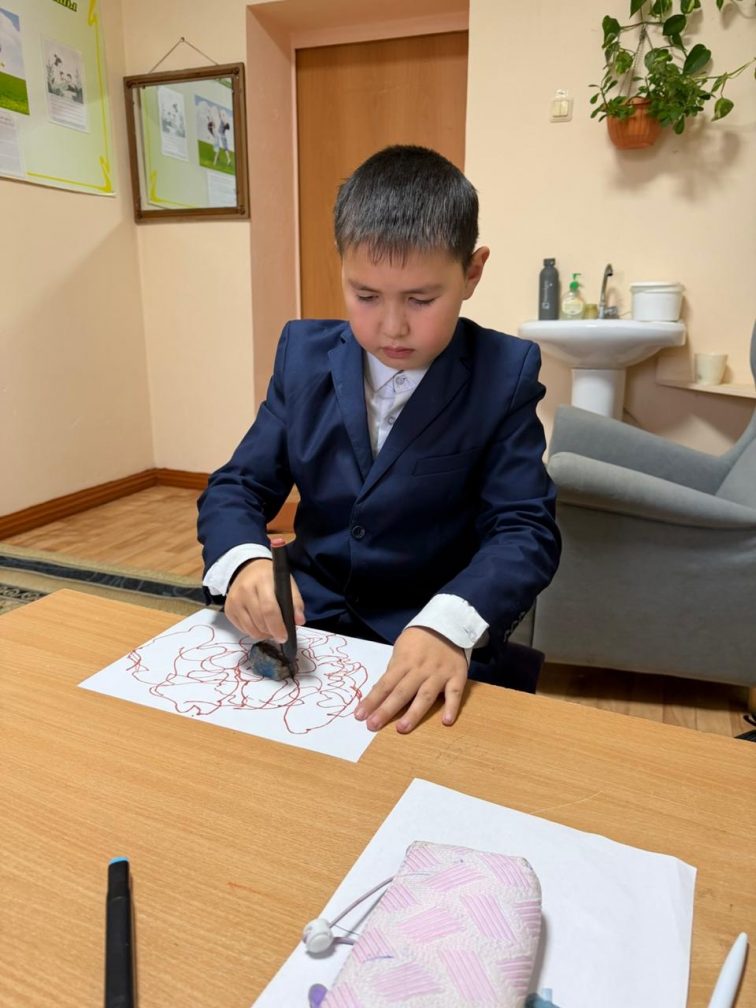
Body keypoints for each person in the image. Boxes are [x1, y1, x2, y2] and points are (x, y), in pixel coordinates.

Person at [197, 145, 560, 734]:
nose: (392, 326)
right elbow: (238, 486)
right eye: (365, 296)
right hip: (304, 618)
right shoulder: (302, 355)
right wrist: (243, 562)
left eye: (421, 299)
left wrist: (450, 623)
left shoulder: (503, 375)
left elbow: (525, 528)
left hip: (428, 630)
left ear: (472, 273)